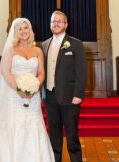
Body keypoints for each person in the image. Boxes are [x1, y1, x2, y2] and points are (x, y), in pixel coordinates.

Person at [0, 18, 55, 162]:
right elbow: (5, 71)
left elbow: (41, 72)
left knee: (34, 124)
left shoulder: (37, 50)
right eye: (20, 29)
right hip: (14, 94)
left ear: (30, 30)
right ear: (15, 33)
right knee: (12, 125)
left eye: (26, 28)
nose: (23, 31)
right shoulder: (11, 50)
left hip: (33, 96)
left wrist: (35, 86)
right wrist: (19, 89)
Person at [41, 11, 87, 162]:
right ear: (50, 24)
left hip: (70, 97)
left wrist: (78, 95)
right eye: (53, 21)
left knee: (72, 135)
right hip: (50, 96)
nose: (56, 23)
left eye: (60, 21)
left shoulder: (76, 44)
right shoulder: (44, 45)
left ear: (66, 24)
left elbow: (81, 71)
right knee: (54, 135)